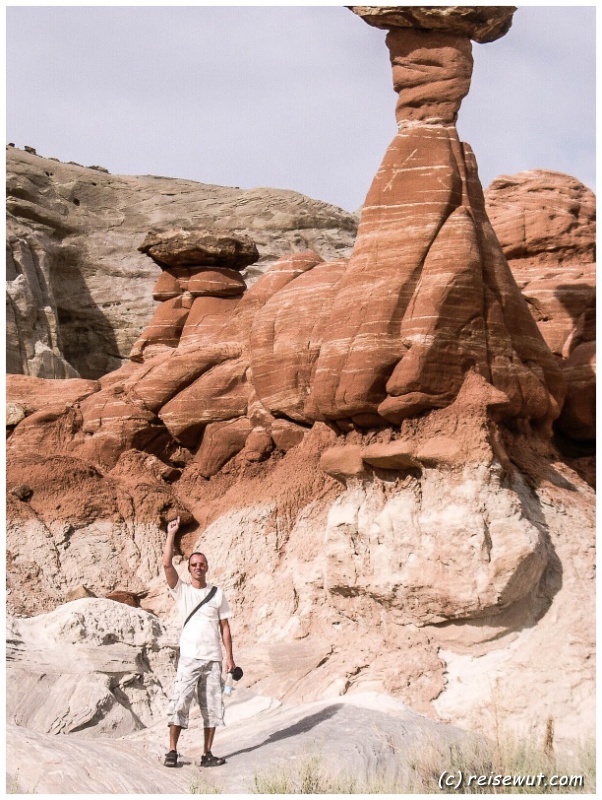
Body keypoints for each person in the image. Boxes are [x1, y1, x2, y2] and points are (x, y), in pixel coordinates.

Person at [162, 516, 235, 768]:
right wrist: (171, 533)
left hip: (213, 659)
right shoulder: (182, 591)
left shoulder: (217, 594)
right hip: (190, 657)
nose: (198, 568)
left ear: (206, 567)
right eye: (194, 564)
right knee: (180, 701)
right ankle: (172, 751)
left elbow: (225, 627)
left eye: (201, 564)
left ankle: (207, 754)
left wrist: (229, 657)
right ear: (190, 568)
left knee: (212, 707)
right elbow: (167, 565)